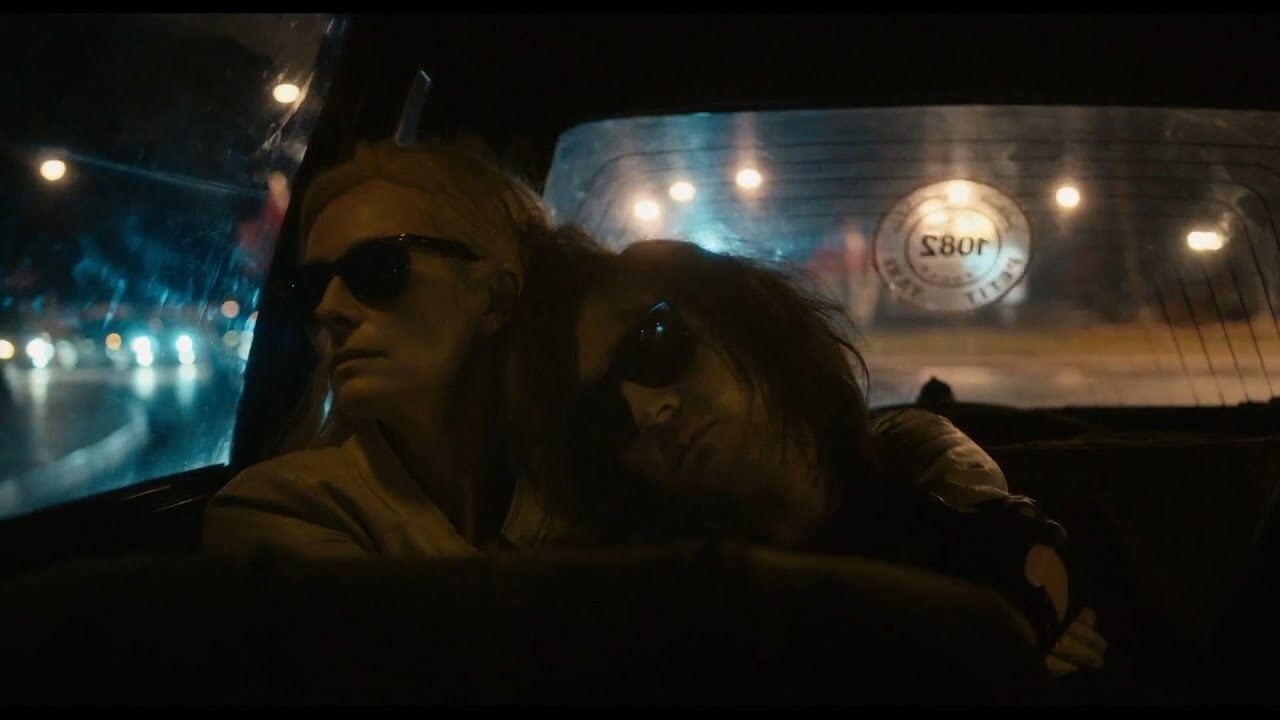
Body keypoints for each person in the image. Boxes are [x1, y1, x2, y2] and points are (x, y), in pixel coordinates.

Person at [524, 238, 1105, 676]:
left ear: (743, 315)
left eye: (651, 342)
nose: (647, 410)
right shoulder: (664, 626)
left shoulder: (989, 533)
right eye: (601, 415)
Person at [204, 140, 603, 559]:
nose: (328, 308)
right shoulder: (278, 508)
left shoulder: (600, 486)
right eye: (313, 286)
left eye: (378, 268)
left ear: (498, 297)